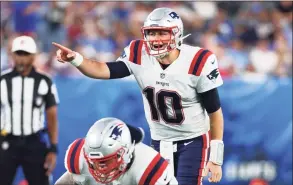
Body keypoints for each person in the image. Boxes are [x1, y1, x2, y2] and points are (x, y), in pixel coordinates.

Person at [53, 7, 224, 185]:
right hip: (159, 139)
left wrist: (216, 157)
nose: (156, 39)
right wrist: (76, 59)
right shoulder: (139, 52)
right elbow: (104, 70)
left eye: (162, 33)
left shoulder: (198, 61)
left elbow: (215, 113)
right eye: (151, 33)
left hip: (192, 141)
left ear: (177, 34)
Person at [0, 35, 59, 185]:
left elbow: (52, 116)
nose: (22, 58)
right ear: (12, 55)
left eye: (26, 54)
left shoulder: (45, 81)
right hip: (7, 141)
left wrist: (53, 148)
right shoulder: (3, 80)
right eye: (19, 54)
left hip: (34, 142)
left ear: (33, 56)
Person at [55, 117, 178, 185]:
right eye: (95, 162)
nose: (101, 169)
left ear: (125, 152)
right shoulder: (80, 161)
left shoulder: (147, 167)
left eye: (107, 160)